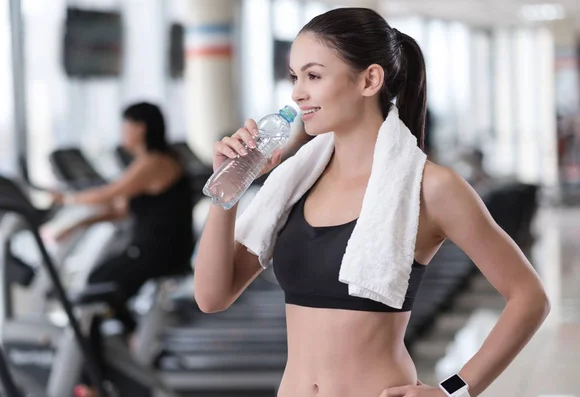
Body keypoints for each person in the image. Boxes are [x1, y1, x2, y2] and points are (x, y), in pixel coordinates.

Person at [194, 7, 549, 397]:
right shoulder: (294, 184)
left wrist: (455, 392)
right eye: (295, 77)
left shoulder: (430, 187)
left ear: (370, 80)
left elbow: (529, 297)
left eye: (313, 75)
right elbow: (212, 297)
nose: (296, 92)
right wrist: (226, 186)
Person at [52, 102, 195, 336]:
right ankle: (127, 339)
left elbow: (109, 193)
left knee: (100, 282)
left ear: (140, 128)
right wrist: (77, 225)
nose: (122, 131)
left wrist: (65, 199)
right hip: (156, 249)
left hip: (160, 252)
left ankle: (125, 341)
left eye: (125, 125)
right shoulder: (155, 161)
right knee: (100, 280)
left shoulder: (154, 162)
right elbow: (121, 211)